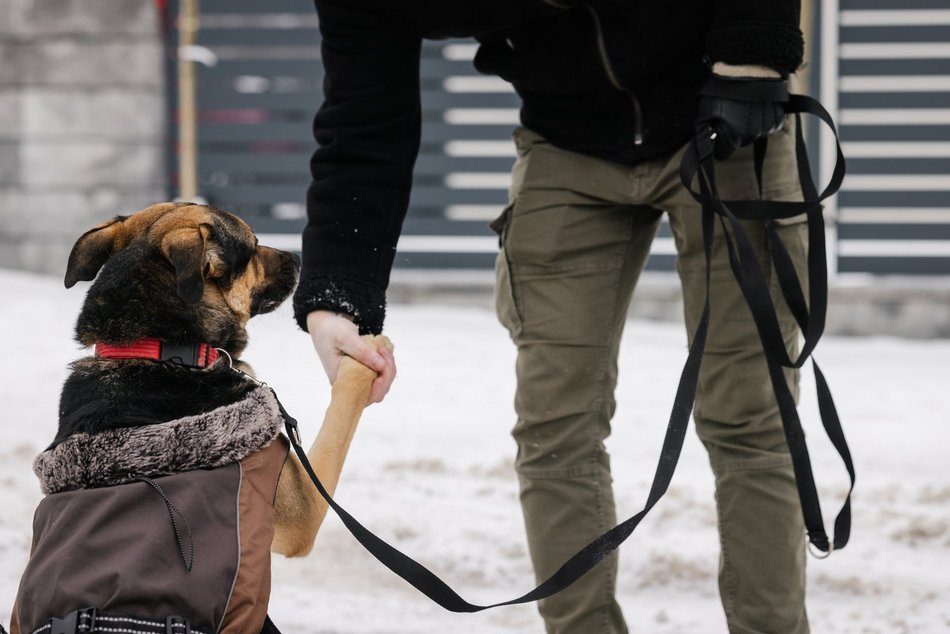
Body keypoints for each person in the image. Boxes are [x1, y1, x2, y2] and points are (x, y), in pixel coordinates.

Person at [294, 1, 812, 632]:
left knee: (749, 414)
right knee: (555, 423)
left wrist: (755, 51)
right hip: (569, 140)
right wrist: (335, 301)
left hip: (723, 107)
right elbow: (364, 126)